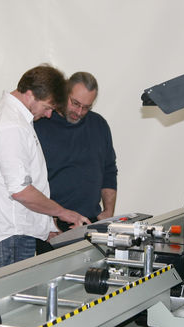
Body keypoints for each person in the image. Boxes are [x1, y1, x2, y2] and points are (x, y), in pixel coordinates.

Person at [0, 65, 91, 270]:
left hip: (12, 229)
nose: (50, 114)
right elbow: (21, 191)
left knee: (12, 294)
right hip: (10, 233)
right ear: (31, 94)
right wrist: (63, 213)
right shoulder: (10, 124)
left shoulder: (5, 114)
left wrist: (45, 226)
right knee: (15, 296)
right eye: (48, 107)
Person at [34, 72, 118, 253]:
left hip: (91, 224)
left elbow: (109, 170)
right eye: (75, 103)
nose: (79, 112)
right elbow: (30, 182)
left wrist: (108, 211)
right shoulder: (40, 124)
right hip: (53, 228)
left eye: (86, 107)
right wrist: (48, 223)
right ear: (64, 93)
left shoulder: (99, 125)